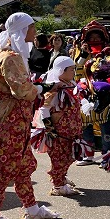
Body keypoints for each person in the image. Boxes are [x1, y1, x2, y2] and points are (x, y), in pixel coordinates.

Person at [0, 12, 61, 219]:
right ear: (22, 30)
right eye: (31, 27)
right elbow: (21, 90)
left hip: (16, 118)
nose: (35, 32)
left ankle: (31, 209)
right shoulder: (10, 57)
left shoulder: (11, 54)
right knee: (3, 167)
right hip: (10, 120)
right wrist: (42, 88)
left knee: (21, 166)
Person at [36, 56, 82, 196]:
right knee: (59, 156)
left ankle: (61, 176)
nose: (74, 72)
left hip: (72, 129)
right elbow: (44, 109)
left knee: (70, 154)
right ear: (62, 70)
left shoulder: (70, 83)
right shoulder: (55, 87)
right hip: (60, 130)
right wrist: (50, 129)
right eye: (71, 69)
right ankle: (58, 185)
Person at [73, 21, 110, 168]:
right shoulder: (80, 54)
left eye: (98, 37)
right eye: (92, 37)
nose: (95, 40)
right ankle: (88, 155)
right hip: (85, 94)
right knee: (86, 126)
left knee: (105, 125)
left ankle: (107, 155)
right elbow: (76, 73)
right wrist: (84, 55)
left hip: (103, 95)